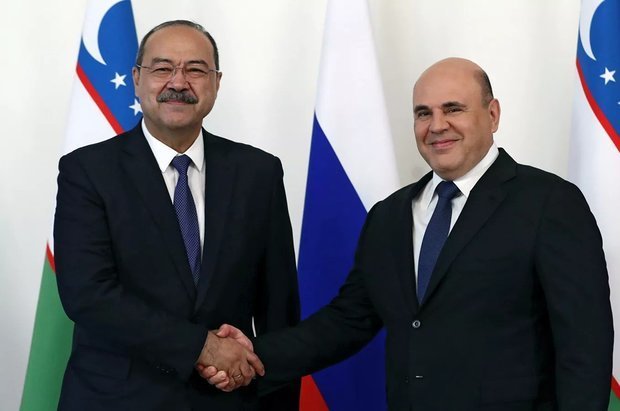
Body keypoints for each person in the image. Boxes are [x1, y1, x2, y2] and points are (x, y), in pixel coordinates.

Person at [200, 57, 614, 410]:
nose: (437, 125)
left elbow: (585, 345)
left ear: (492, 115)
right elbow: (348, 321)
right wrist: (252, 353)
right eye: (423, 113)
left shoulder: (549, 203)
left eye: (453, 109)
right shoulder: (390, 216)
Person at [54, 20, 300, 411]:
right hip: (117, 400)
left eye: (196, 69)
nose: (179, 82)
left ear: (217, 82)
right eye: (162, 68)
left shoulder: (259, 172)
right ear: (137, 79)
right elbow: (88, 294)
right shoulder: (87, 171)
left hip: (229, 401)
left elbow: (278, 307)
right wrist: (202, 347)